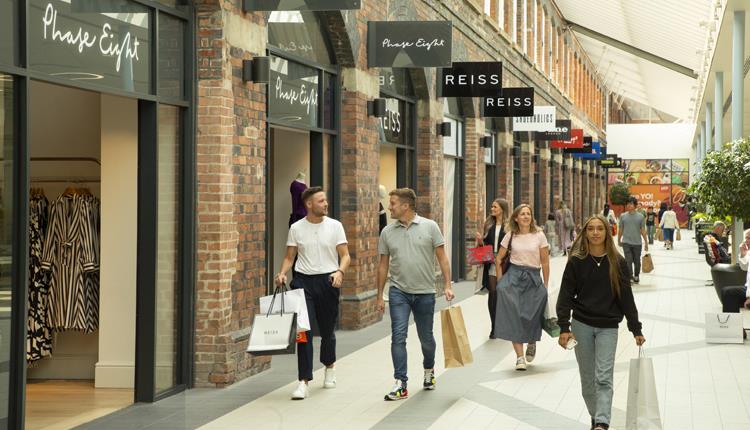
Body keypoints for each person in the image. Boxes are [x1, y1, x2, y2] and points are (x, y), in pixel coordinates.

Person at [557, 215, 646, 430]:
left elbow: (626, 298)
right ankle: (596, 417)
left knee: (604, 377)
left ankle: (602, 424)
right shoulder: (576, 261)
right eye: (591, 229)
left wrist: (636, 328)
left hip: (608, 327)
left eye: (600, 229)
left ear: (608, 232)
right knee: (588, 380)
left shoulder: (618, 262)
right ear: (585, 233)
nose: (595, 233)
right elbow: (566, 295)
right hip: (581, 325)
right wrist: (564, 328)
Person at [376, 188, 455, 401]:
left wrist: (448, 285)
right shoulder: (387, 232)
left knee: (426, 338)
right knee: (398, 336)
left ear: (405, 206)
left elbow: (443, 258)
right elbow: (383, 266)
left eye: (392, 203)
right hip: (398, 292)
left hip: (425, 293)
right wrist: (378, 295)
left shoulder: (430, 227)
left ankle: (429, 371)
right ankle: (400, 383)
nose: (389, 207)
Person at [275, 187, 351, 400]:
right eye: (321, 201)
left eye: (325, 200)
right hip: (303, 283)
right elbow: (290, 257)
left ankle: (329, 367)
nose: (326, 204)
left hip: (328, 281)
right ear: (309, 204)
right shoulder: (296, 228)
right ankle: (303, 381)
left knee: (327, 331)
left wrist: (339, 271)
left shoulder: (335, 226)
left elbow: (345, 255)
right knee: (303, 333)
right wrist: (282, 273)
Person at [494, 204, 550, 371]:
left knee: (532, 315)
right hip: (514, 277)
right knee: (514, 316)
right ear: (516, 218)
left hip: (533, 278)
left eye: (528, 213)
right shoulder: (511, 235)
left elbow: (545, 262)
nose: (526, 216)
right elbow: (498, 259)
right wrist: (500, 283)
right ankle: (519, 357)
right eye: (522, 214)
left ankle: (531, 342)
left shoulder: (539, 235)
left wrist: (545, 285)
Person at [474, 198, 509, 339]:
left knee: (504, 294)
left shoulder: (510, 226)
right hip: (491, 262)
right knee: (493, 293)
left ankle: (504, 324)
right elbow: (484, 246)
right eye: (492, 206)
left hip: (505, 262)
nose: (492, 209)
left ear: (502, 209)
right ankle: (494, 327)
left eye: (495, 207)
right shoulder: (488, 224)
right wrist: (481, 241)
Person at [617, 197, 649, 284]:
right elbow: (620, 229)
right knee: (628, 260)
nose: (628, 205)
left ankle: (636, 275)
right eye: (627, 203)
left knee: (637, 261)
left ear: (635, 205)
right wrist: (619, 239)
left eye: (631, 203)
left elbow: (642, 230)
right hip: (626, 242)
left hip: (637, 243)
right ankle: (630, 276)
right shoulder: (623, 216)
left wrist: (646, 242)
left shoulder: (640, 216)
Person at [720, 229, 750, 314]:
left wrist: (749, 297)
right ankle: (732, 323)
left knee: (729, 293)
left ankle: (732, 324)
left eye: (749, 238)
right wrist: (743, 253)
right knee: (726, 292)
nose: (747, 241)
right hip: (747, 288)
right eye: (746, 238)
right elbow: (744, 267)